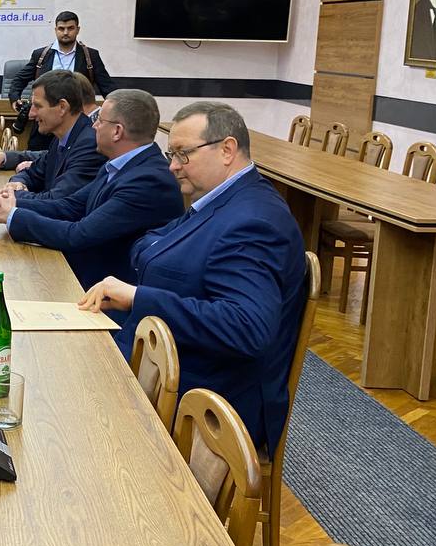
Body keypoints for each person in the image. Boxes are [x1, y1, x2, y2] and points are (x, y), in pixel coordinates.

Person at [78, 102, 306, 451]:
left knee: (71, 399)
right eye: (172, 154)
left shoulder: (254, 221)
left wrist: (139, 296)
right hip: (174, 361)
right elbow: (152, 243)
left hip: (210, 396)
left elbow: (247, 327)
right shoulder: (220, 199)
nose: (173, 166)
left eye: (183, 154)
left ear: (227, 150)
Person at [0, 89, 183, 290]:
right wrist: (14, 202)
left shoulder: (148, 180)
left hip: (105, 290)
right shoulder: (119, 165)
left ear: (117, 131)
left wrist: (14, 215)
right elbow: (71, 206)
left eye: (100, 121)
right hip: (84, 274)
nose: (94, 126)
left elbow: (79, 235)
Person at [0, 70, 103, 201]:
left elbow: (57, 200)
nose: (31, 114)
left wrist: (14, 195)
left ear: (62, 107)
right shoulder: (62, 138)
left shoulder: (89, 145)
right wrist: (16, 184)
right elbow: (32, 173)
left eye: (38, 106)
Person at [7, 11, 117, 151]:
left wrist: (116, 111)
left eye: (70, 28)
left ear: (78, 29)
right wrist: (15, 99)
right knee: (37, 157)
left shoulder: (90, 56)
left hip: (76, 123)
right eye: (61, 28)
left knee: (72, 156)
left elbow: (107, 87)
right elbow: (19, 80)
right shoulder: (41, 55)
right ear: (55, 30)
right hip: (45, 121)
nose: (65, 32)